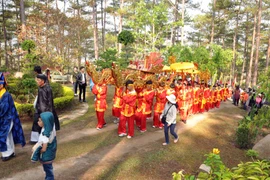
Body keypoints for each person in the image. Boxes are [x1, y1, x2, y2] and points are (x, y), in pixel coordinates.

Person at [0, 72, 26, 161]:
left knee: (3, 136)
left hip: (7, 118)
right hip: (3, 119)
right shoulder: (1, 94)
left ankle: (7, 153)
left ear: (2, 84)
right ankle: (10, 152)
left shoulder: (6, 95)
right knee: (8, 136)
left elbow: (4, 108)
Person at [31, 74, 60, 143]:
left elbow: (49, 102)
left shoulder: (48, 89)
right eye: (37, 80)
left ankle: (47, 140)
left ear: (43, 81)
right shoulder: (40, 88)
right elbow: (39, 101)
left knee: (47, 126)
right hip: (40, 110)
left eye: (38, 80)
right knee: (36, 123)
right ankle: (35, 139)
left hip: (45, 111)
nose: (37, 81)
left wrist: (47, 113)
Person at [31, 112, 57, 180]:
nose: (38, 122)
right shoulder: (51, 127)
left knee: (48, 170)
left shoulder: (45, 135)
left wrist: (39, 151)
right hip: (51, 153)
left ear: (45, 122)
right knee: (49, 168)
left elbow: (44, 149)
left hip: (46, 156)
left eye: (39, 121)